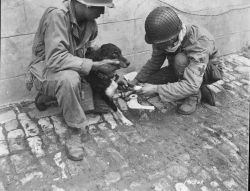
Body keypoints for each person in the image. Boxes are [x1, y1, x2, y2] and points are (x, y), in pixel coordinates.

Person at [25, 0, 118, 161]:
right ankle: (75, 130)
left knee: (101, 107)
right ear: (85, 5)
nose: (102, 12)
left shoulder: (90, 24)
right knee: (70, 80)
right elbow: (55, 59)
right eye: (99, 7)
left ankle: (49, 97)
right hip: (46, 71)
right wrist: (96, 66)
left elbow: (87, 51)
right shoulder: (57, 15)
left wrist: (106, 62)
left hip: (70, 68)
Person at [123, 6, 223, 115]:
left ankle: (193, 96)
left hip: (209, 70)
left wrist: (157, 89)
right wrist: (136, 80)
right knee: (150, 81)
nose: (157, 46)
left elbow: (190, 85)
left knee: (180, 60)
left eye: (160, 44)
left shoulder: (200, 41)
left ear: (172, 39)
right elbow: (155, 62)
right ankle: (196, 86)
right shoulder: (161, 38)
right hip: (181, 69)